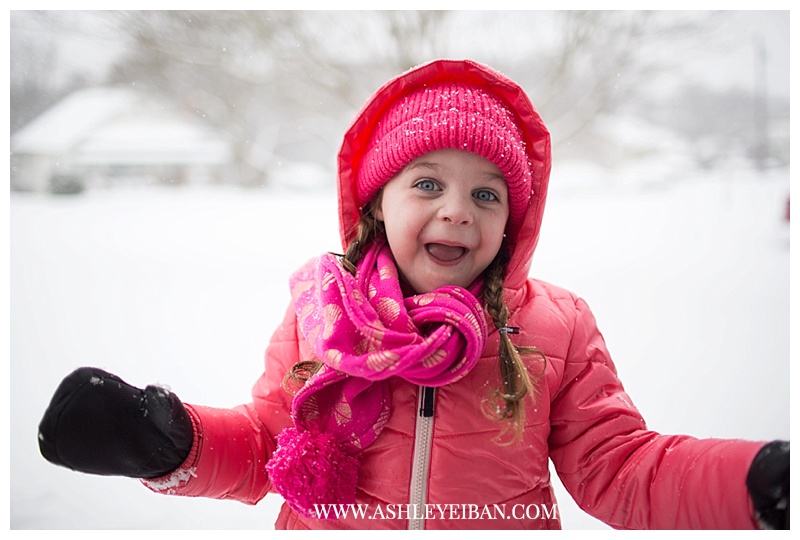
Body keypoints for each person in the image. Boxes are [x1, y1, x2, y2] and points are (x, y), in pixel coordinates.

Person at [37, 58, 788, 530]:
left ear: (513, 224)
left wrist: (753, 483)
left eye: (487, 195)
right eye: (428, 184)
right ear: (376, 205)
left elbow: (622, 469)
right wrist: (171, 441)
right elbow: (268, 443)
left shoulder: (555, 327)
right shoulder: (320, 317)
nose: (458, 209)